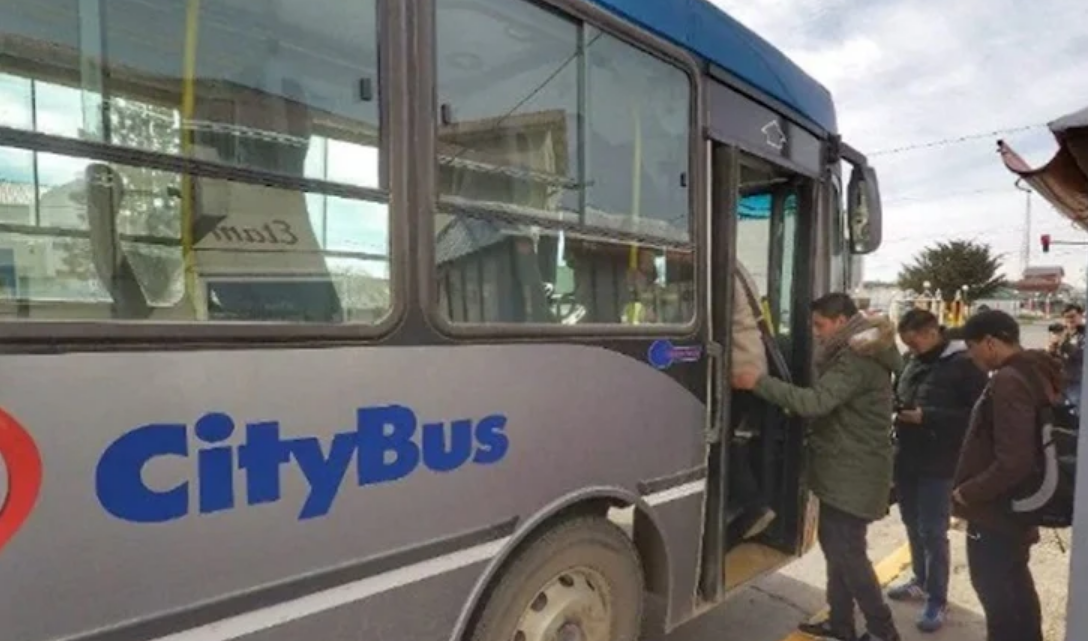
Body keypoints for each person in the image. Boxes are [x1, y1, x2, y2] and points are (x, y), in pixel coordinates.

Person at [733, 292, 902, 641]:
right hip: (844, 470)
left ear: (841, 321)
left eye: (820, 325)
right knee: (837, 549)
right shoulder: (853, 351)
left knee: (849, 556)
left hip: (853, 473)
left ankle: (884, 631)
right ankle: (840, 624)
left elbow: (815, 402)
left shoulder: (857, 359)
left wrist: (759, 382)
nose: (817, 333)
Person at [954, 310, 1064, 641]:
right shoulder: (1034, 371)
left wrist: (967, 493)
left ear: (990, 342)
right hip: (1018, 505)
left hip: (998, 510)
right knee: (1015, 586)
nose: (971, 356)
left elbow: (1013, 460)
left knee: (998, 594)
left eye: (972, 347)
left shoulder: (1008, 380)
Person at [885, 309, 988, 633]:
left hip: (941, 462)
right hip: (908, 455)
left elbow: (977, 417)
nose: (910, 350)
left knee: (933, 531)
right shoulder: (913, 360)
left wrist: (927, 416)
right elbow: (900, 392)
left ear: (931, 333)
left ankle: (937, 598)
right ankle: (920, 578)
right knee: (911, 524)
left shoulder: (966, 364)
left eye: (914, 343)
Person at [727, 260, 776, 539]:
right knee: (734, 443)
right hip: (750, 369)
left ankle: (754, 505)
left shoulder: (721, 268)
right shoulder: (737, 267)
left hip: (742, 373)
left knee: (727, 445)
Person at [1049, 303, 1084, 409]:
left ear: (1080, 315)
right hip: (1062, 382)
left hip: (1078, 382)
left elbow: (1082, 355)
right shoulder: (1063, 333)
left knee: (1076, 414)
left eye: (1072, 316)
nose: (1069, 320)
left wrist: (1064, 344)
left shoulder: (1083, 334)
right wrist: (1052, 349)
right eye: (1066, 317)